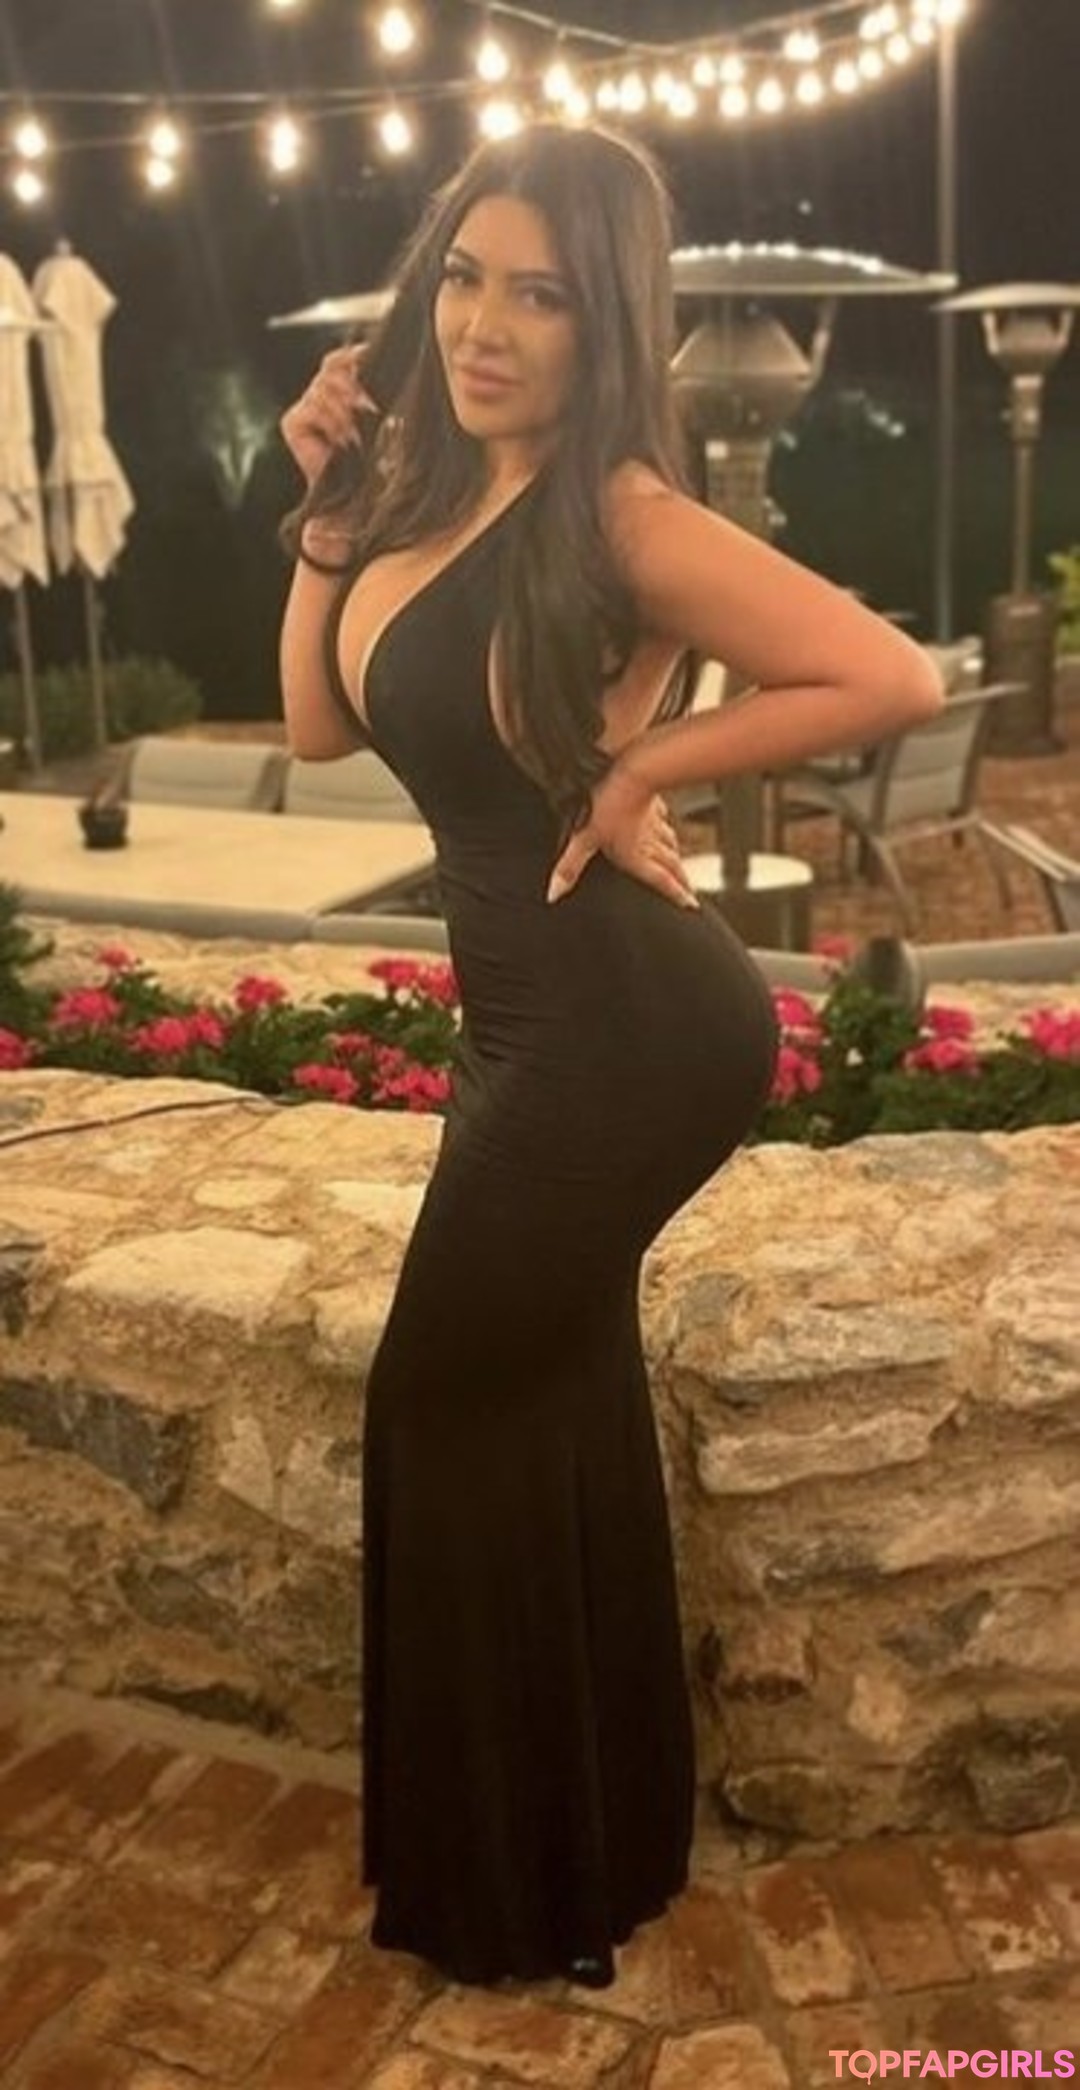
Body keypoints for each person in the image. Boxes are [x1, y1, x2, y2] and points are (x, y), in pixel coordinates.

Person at [278, 120, 944, 1992]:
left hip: (626, 1027)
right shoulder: (420, 489)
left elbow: (890, 674)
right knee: (546, 1387)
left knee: (434, 1397)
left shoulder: (621, 513)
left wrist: (646, 761)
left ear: (609, 322)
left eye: (541, 295)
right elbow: (319, 725)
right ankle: (591, 1843)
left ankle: (506, 1875)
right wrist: (322, 517)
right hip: (524, 1023)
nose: (484, 325)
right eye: (462, 278)